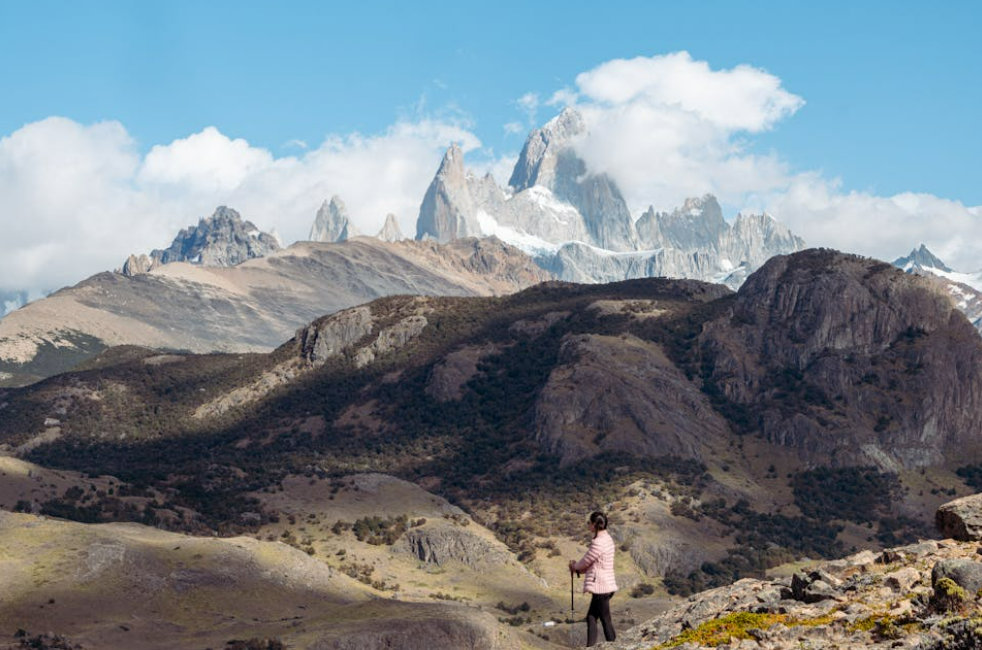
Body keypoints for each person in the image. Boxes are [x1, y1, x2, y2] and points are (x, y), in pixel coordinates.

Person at [569, 510, 617, 646]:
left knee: (605, 619)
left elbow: (585, 562)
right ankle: (591, 647)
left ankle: (613, 646)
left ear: (595, 525)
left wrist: (575, 566)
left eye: (589, 523)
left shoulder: (598, 543)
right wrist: (578, 569)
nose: (588, 525)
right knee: (592, 617)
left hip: (601, 587)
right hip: (606, 584)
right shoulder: (607, 539)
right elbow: (594, 564)